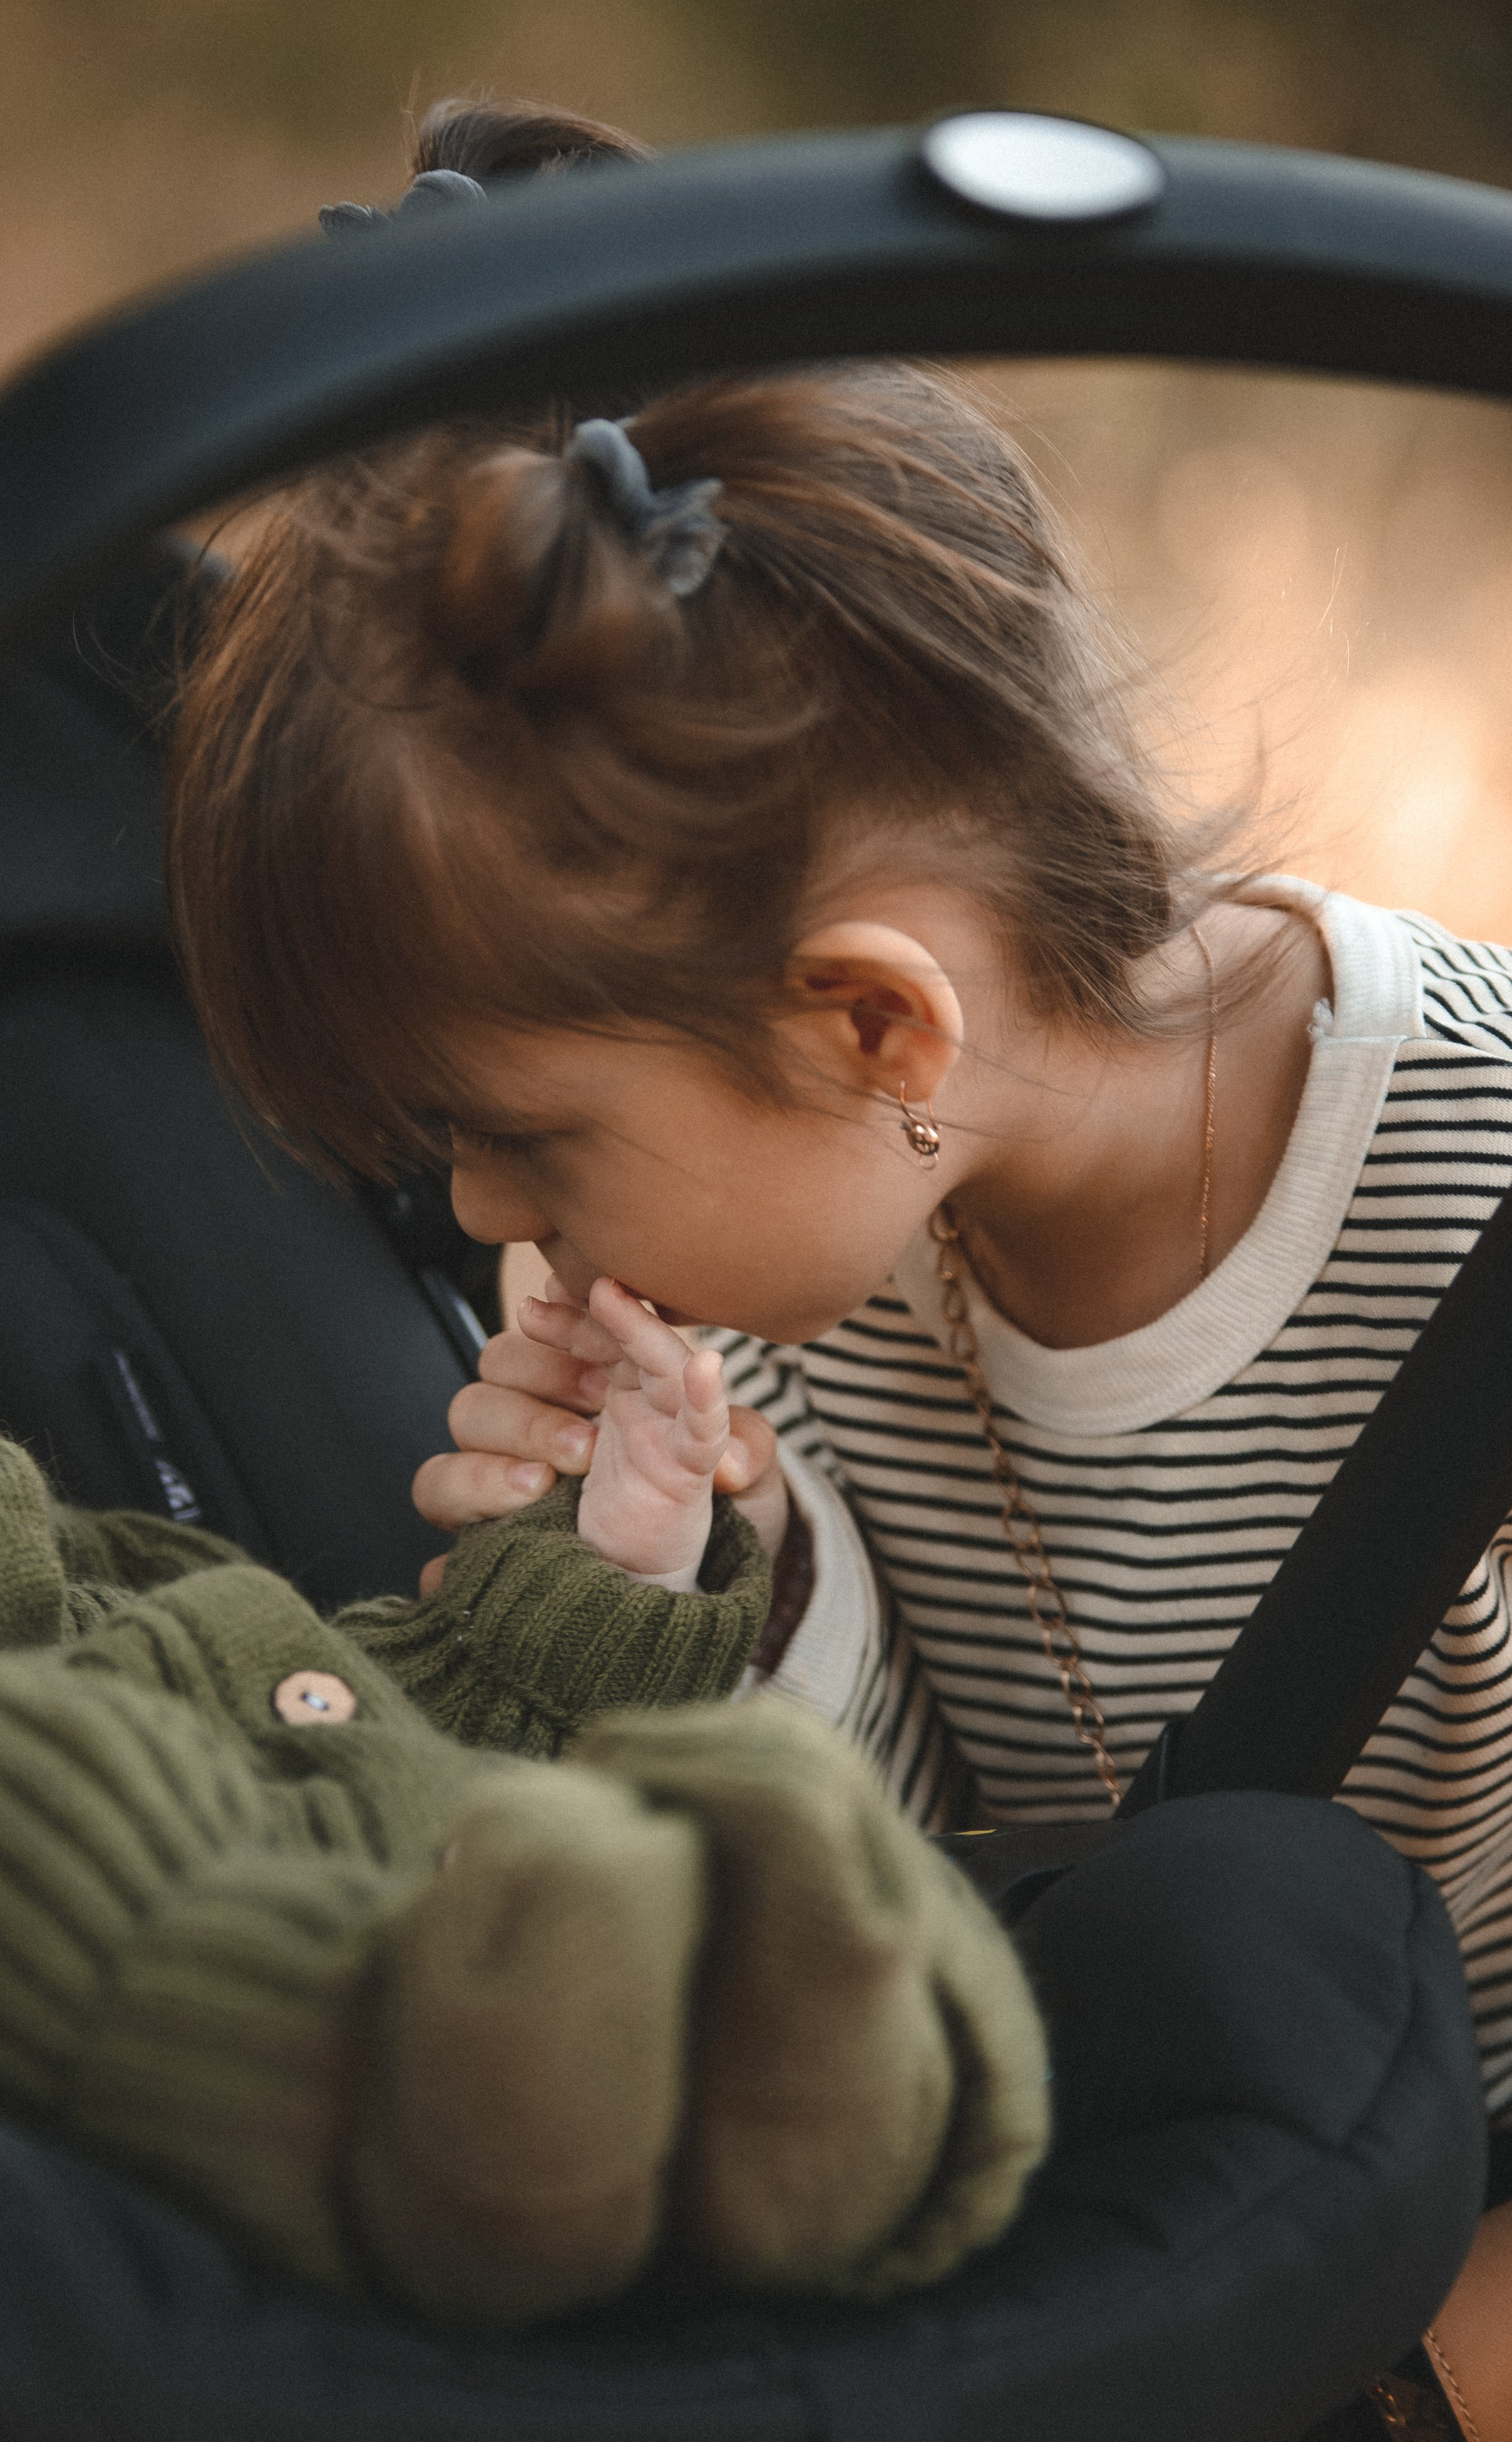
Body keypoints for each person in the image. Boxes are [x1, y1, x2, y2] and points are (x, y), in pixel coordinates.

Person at [165, 355, 1512, 2123]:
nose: (481, 1212)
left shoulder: (1466, 1176)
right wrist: (717, 1579)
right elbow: (933, 1887)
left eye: (518, 1132)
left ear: (873, 1027)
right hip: (1173, 2220)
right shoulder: (787, 1297)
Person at [0, 1151, 1048, 2322]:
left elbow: (393, 1724)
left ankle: (741, 2050)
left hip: (433, 1907)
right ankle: (644, 2069)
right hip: (184, 2084)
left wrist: (614, 1562)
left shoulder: (114, 1571)